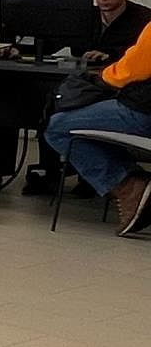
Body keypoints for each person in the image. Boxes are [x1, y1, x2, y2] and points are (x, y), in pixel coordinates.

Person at [22, 0, 151, 194]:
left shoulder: (143, 19)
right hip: (95, 84)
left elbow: (135, 65)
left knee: (60, 120)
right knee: (54, 102)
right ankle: (54, 174)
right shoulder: (83, 16)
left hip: (126, 91)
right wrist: (18, 49)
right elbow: (52, 41)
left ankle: (123, 182)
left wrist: (109, 58)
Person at [45, 16, 151, 236]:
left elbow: (133, 69)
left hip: (143, 112)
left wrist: (102, 77)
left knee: (58, 126)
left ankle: (129, 186)